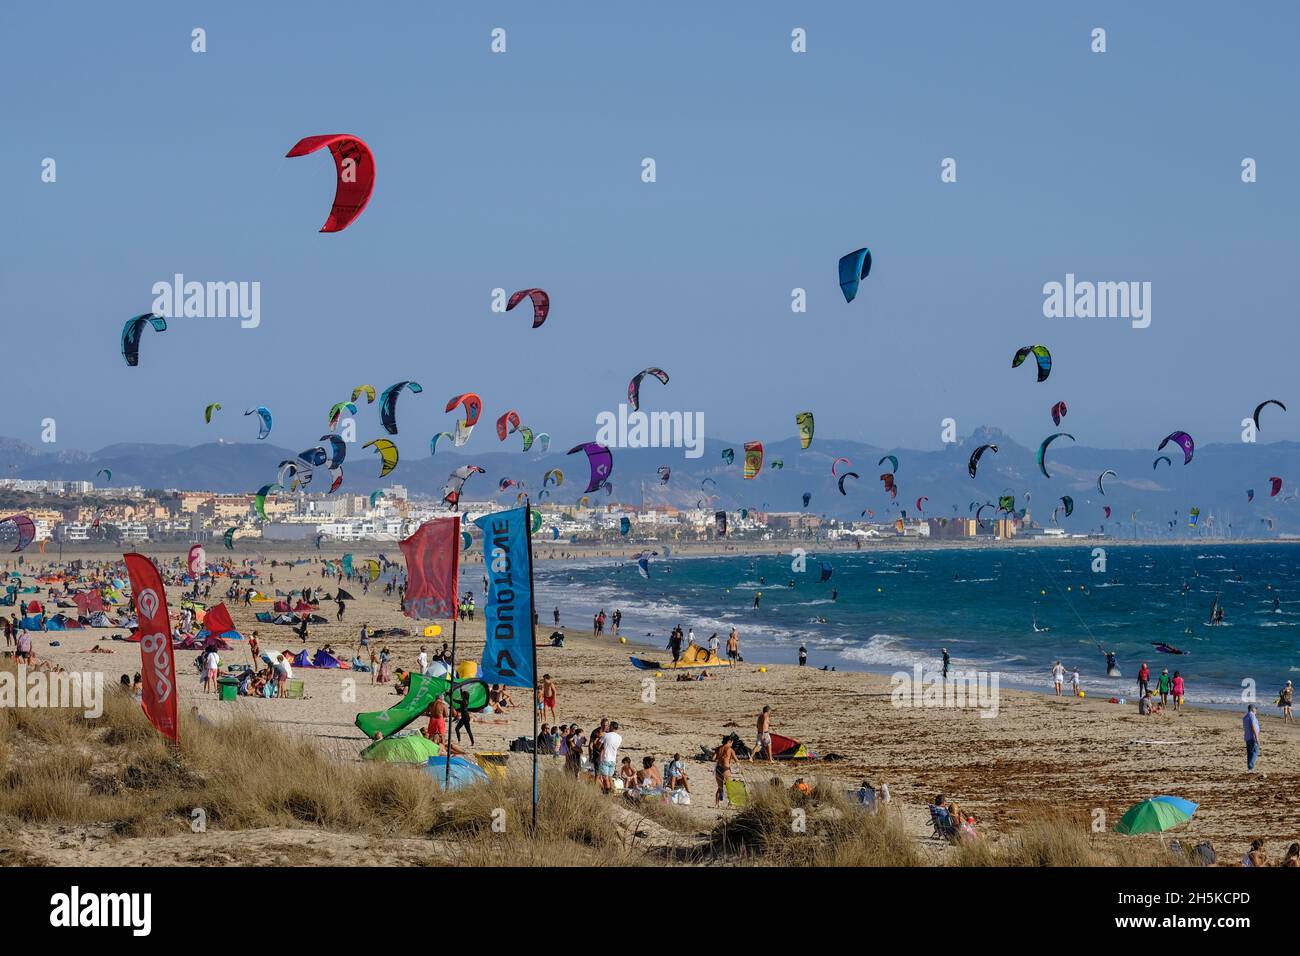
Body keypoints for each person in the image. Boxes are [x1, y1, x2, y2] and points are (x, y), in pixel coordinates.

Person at [598, 721, 622, 795]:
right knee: (610, 778)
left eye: (609, 726)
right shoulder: (619, 737)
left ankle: (607, 793)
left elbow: (599, 746)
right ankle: (613, 792)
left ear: (612, 727)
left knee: (605, 778)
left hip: (605, 758)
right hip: (613, 759)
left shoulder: (606, 735)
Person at [714, 736, 737, 806]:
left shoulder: (719, 748)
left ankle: (716, 804)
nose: (732, 744)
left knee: (720, 787)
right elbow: (736, 760)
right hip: (725, 768)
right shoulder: (730, 749)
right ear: (729, 741)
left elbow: (713, 758)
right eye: (732, 743)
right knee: (729, 787)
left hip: (718, 768)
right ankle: (730, 803)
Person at [1243, 704, 1262, 771]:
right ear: (1252, 709)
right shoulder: (1252, 716)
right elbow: (1253, 727)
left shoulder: (1245, 717)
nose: (1256, 710)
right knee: (1255, 751)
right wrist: (1256, 738)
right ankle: (1251, 767)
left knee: (1250, 752)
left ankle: (1250, 767)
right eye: (1255, 709)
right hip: (1252, 737)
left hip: (1247, 737)